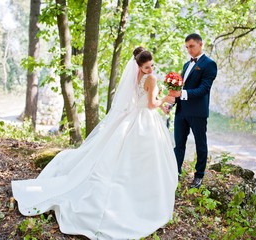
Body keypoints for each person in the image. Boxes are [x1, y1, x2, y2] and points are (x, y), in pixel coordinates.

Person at [11, 47, 178, 240]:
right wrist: (166, 98)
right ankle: (143, 199)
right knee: (143, 159)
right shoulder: (151, 79)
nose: (150, 69)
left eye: (152, 66)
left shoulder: (137, 77)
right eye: (147, 66)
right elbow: (150, 104)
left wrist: (162, 106)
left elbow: (144, 100)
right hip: (143, 121)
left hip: (135, 118)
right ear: (139, 65)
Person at [169, 33, 217, 188]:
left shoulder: (209, 64)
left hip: (197, 112)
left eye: (192, 46)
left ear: (200, 44)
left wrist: (181, 94)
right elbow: (180, 87)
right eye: (187, 47)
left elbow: (204, 89)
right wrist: (172, 103)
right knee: (179, 144)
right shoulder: (186, 65)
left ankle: (199, 175)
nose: (189, 50)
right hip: (181, 111)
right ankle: (175, 173)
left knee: (200, 144)